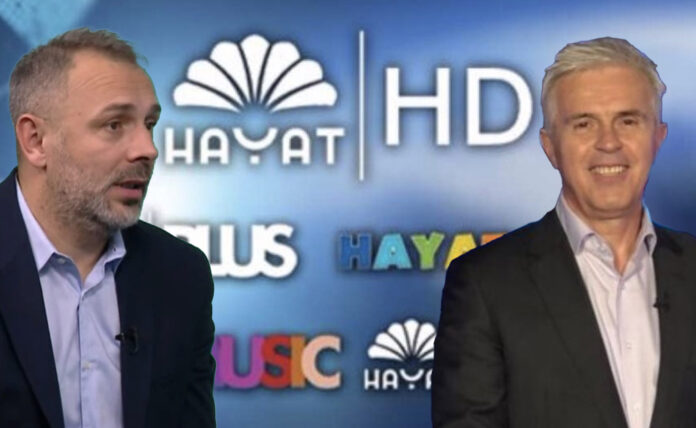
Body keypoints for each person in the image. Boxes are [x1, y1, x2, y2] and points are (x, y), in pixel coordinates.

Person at [432, 37, 696, 428]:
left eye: (628, 121)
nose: (609, 143)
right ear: (550, 147)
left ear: (657, 138)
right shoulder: (485, 283)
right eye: (584, 124)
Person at [0, 28, 216, 427]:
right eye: (115, 125)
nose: (148, 149)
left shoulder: (181, 274)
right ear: (36, 140)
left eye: (149, 124)